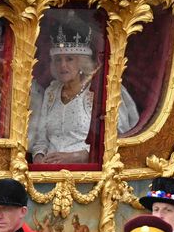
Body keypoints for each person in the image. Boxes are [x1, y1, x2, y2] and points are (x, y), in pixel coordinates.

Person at [27, 24, 137, 164]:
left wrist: (77, 157)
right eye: (58, 60)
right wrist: (39, 158)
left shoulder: (100, 90)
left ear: (82, 62)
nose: (63, 66)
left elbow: (118, 141)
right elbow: (41, 140)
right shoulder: (51, 92)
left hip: (86, 172)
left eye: (69, 59)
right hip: (50, 171)